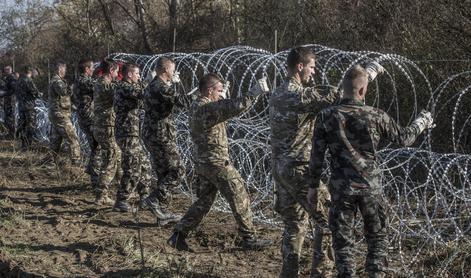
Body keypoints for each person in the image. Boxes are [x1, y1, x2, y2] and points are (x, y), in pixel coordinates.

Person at [308, 64, 434, 277]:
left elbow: (316, 156)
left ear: (344, 88)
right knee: (376, 239)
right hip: (370, 188)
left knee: (343, 243)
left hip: (341, 188)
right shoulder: (375, 115)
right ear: (363, 91)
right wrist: (422, 123)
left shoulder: (326, 116)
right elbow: (404, 138)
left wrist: (313, 187)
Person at [167, 73, 272, 251]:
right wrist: (253, 93)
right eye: (219, 90)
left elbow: (224, 107)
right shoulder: (205, 108)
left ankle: (179, 235)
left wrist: (224, 97)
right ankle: (249, 237)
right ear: (209, 90)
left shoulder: (199, 105)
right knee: (239, 194)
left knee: (204, 201)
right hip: (215, 162)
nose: (222, 94)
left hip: (204, 162)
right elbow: (233, 106)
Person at [270, 46, 340, 278]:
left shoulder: (278, 92)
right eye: (312, 67)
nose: (314, 72)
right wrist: (367, 74)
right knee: (329, 219)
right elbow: (339, 95)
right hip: (298, 169)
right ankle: (321, 274)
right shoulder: (297, 95)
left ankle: (288, 274)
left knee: (294, 224)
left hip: (280, 169)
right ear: (300, 67)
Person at [141, 57, 184, 221]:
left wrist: (173, 85)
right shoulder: (160, 87)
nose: (173, 73)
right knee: (177, 170)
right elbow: (182, 101)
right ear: (166, 70)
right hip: (161, 135)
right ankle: (155, 199)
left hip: (153, 133)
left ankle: (162, 213)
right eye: (172, 70)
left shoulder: (154, 85)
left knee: (163, 172)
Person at [112, 63, 154, 213]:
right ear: (129, 75)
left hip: (133, 134)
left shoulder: (131, 89)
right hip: (126, 134)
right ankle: (121, 200)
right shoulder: (123, 86)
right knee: (132, 168)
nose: (139, 76)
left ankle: (145, 198)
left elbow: (144, 101)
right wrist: (151, 81)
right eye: (137, 74)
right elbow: (141, 93)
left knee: (145, 165)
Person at [92, 60, 121, 205]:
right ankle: (101, 194)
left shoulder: (99, 82)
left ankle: (124, 189)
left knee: (116, 156)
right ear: (111, 71)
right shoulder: (105, 84)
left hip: (102, 126)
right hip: (106, 126)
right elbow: (119, 92)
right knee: (110, 160)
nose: (117, 74)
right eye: (116, 71)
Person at [48, 61, 81, 164]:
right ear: (59, 69)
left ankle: (50, 160)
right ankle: (76, 161)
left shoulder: (58, 80)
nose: (65, 71)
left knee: (56, 140)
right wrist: (72, 86)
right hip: (60, 114)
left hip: (57, 113)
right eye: (64, 69)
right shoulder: (57, 81)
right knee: (72, 137)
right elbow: (64, 92)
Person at [74, 59, 99, 187]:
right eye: (92, 67)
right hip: (88, 117)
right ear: (87, 69)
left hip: (85, 116)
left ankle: (91, 169)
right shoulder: (84, 81)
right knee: (97, 146)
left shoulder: (79, 80)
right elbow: (100, 86)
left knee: (94, 144)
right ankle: (95, 179)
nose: (93, 69)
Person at [16, 66, 41, 149]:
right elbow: (35, 92)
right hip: (29, 106)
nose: (36, 74)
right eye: (35, 72)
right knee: (30, 125)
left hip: (21, 106)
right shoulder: (28, 80)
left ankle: (23, 144)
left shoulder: (19, 80)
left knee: (22, 124)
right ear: (31, 71)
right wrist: (40, 94)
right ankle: (28, 145)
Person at [1, 65, 17, 138]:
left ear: (9, 70)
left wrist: (5, 93)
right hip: (7, 100)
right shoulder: (7, 78)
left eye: (5, 70)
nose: (4, 72)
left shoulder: (11, 78)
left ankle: (12, 134)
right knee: (7, 117)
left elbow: (13, 90)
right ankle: (10, 133)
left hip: (10, 100)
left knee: (10, 117)